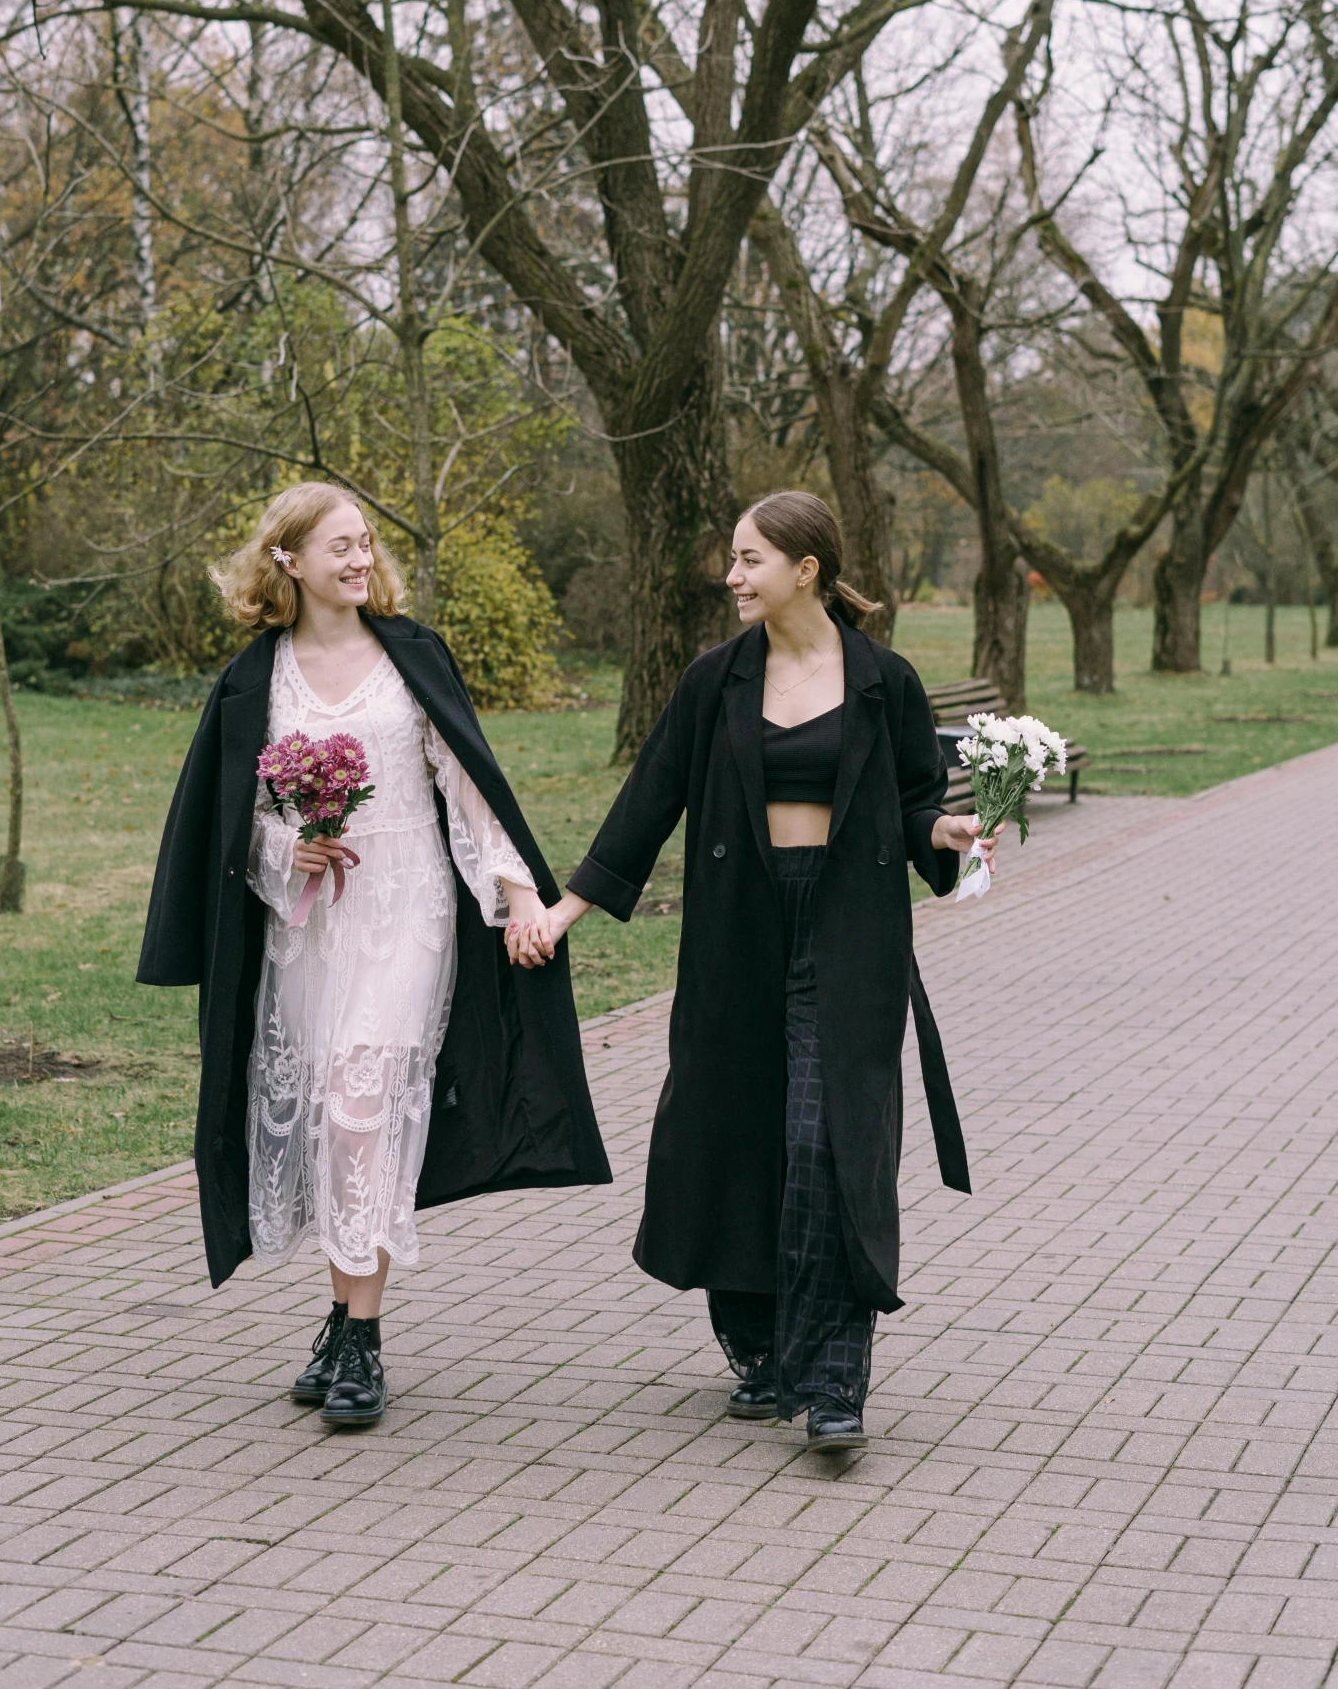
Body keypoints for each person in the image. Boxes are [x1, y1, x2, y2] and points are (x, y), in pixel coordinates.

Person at [507, 490, 994, 1452]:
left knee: (829, 1140)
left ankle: (833, 1373)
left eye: (748, 559)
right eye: (732, 558)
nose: (730, 576)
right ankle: (762, 1347)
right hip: (737, 933)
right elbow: (648, 799)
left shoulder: (881, 681)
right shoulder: (714, 681)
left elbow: (911, 807)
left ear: (804, 570)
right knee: (738, 1132)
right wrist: (564, 908)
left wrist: (943, 831)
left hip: (847, 933)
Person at [138, 483, 610, 1430]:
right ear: (289, 561)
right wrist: (286, 848)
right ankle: (342, 1313)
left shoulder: (411, 657)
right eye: (339, 547)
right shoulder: (254, 679)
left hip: (409, 911)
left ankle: (363, 1343)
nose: (359, 560)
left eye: (364, 544)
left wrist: (520, 896)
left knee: (361, 1105)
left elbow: (470, 784)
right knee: (327, 1114)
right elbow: (237, 820)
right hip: (310, 925)